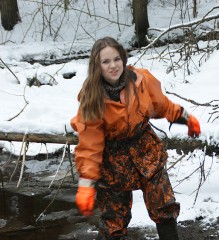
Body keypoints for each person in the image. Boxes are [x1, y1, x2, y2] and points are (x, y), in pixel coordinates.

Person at [70, 36, 201, 240]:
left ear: (123, 59)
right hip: (112, 162)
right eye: (105, 62)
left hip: (146, 151)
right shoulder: (91, 98)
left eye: (116, 59)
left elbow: (162, 105)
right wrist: (86, 183)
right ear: (97, 66)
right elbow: (90, 145)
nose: (113, 66)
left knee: (164, 205)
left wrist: (185, 118)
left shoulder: (141, 80)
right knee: (114, 221)